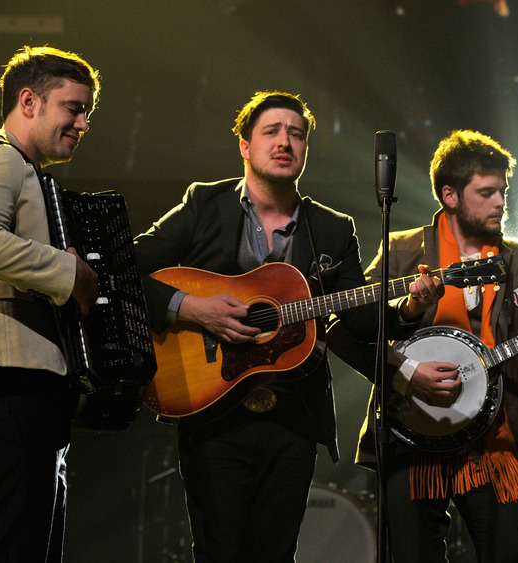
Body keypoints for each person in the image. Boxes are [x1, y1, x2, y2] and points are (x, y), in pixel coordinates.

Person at [131, 91, 427, 561]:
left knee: (276, 552)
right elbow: (128, 269)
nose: (285, 141)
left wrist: (408, 309)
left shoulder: (331, 228)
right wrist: (191, 308)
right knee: (219, 551)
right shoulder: (204, 204)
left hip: (293, 419)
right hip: (212, 415)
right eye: (272, 131)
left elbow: (362, 320)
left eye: (296, 134)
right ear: (245, 146)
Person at [329, 129, 518, 562]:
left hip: (495, 440)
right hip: (413, 436)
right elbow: (345, 328)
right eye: (486, 192)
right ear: (450, 195)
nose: (501, 202)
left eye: (503, 191)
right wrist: (405, 372)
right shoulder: (403, 249)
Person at [0, 46, 101, 562]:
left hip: (23, 381)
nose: (81, 123)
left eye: (86, 113)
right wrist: (70, 271)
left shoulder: (20, 167)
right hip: (7, 381)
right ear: (28, 101)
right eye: (72, 108)